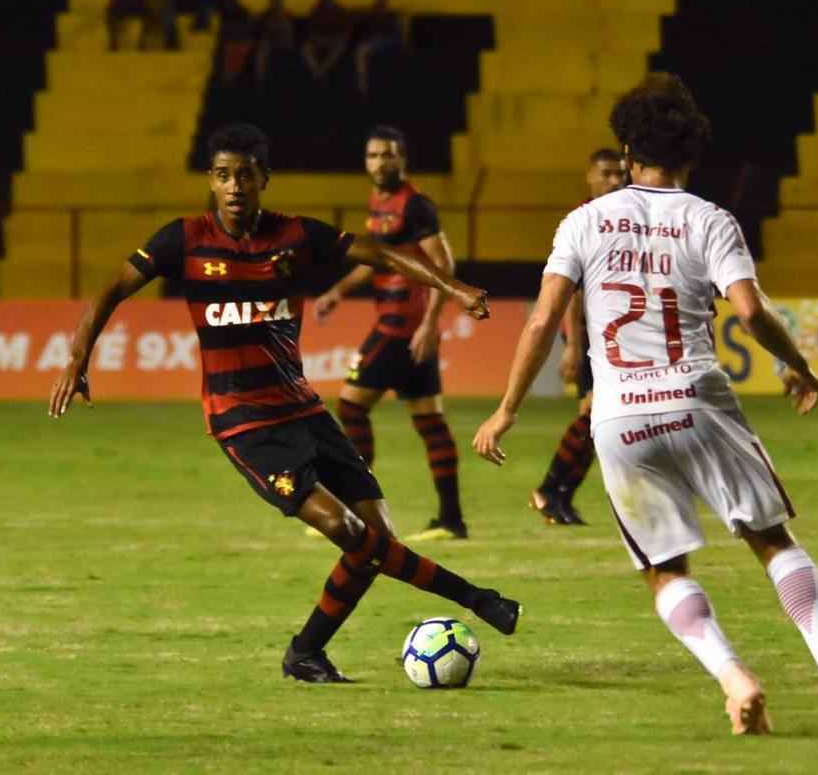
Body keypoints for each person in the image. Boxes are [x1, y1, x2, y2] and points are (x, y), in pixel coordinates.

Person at [473, 73, 818, 735]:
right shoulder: (708, 219)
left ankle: (734, 677)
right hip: (697, 399)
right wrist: (797, 363)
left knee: (664, 570)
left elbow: (543, 319)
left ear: (628, 154)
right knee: (772, 540)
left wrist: (507, 409)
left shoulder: (582, 222)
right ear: (691, 156)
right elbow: (749, 310)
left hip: (619, 418)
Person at [49, 123, 520, 683]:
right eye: (223, 176)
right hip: (244, 423)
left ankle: (305, 654)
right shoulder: (185, 239)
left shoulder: (294, 236)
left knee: (378, 540)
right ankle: (476, 598)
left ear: (263, 180)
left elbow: (387, 256)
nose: (233, 187)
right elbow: (111, 287)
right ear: (211, 181)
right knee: (351, 534)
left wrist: (454, 287)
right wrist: (79, 356)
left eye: (245, 175)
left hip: (303, 408)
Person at [315, 126, 468, 541]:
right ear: (366, 162)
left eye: (389, 154)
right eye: (374, 155)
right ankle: (451, 520)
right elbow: (377, 261)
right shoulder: (379, 204)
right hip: (409, 331)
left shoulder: (416, 206)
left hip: (401, 328)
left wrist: (430, 322)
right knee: (429, 420)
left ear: (402, 159)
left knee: (350, 407)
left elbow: (443, 265)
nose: (382, 162)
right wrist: (338, 292)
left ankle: (356, 509)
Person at [528, 149, 626, 525]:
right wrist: (572, 345)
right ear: (590, 176)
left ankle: (559, 495)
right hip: (592, 337)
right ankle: (550, 490)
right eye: (606, 174)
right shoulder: (583, 221)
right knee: (593, 415)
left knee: (596, 420)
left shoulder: (623, 216)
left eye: (619, 173)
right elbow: (572, 290)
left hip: (615, 336)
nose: (614, 181)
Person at [354, 0, 404, 95]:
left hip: (385, 40)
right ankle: (362, 83)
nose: (379, 1)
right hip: (378, 41)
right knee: (361, 50)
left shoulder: (388, 14)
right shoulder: (374, 11)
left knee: (361, 50)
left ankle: (363, 84)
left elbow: (394, 34)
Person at [302, 0, 351, 81]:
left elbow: (346, 29)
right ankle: (318, 71)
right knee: (306, 48)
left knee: (338, 48)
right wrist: (314, 37)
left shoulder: (340, 10)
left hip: (335, 39)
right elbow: (311, 28)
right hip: (320, 39)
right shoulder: (316, 9)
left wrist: (340, 37)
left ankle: (320, 72)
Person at [253, 0, 294, 87]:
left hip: (283, 42)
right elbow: (260, 27)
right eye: (273, 0)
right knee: (262, 49)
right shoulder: (266, 13)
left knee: (265, 47)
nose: (275, 2)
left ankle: (266, 80)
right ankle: (260, 80)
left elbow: (288, 32)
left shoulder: (286, 14)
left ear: (281, 1)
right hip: (269, 42)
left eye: (278, 0)